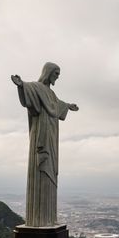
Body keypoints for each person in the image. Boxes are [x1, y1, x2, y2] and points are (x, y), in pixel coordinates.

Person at [11, 62, 79, 227]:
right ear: (48, 73)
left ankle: (48, 218)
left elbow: (57, 105)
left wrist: (68, 106)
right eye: (56, 74)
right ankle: (38, 220)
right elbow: (28, 100)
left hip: (52, 135)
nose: (57, 77)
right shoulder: (35, 87)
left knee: (50, 176)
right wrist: (20, 86)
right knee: (41, 172)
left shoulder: (51, 93)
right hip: (40, 135)